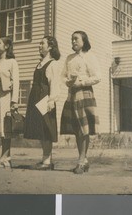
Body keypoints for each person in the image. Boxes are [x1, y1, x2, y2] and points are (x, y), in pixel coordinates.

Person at [60, 31, 101, 174]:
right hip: (72, 95)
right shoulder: (69, 58)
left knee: (85, 129)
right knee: (77, 129)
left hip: (84, 93)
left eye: (76, 39)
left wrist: (81, 82)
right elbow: (63, 76)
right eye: (71, 39)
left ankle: (81, 161)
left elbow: (97, 77)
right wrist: (69, 82)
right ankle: (84, 160)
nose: (73, 42)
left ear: (84, 41)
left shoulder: (89, 57)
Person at [24, 36, 61, 170]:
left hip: (45, 98)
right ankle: (45, 159)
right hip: (36, 97)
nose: (39, 45)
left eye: (42, 43)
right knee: (40, 128)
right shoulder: (40, 63)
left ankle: (47, 161)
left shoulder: (53, 64)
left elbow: (55, 84)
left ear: (50, 47)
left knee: (47, 128)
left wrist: (52, 100)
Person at [0, 37, 19, 168]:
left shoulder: (12, 62)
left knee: (6, 128)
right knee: (1, 129)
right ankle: (6, 158)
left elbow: (16, 82)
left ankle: (5, 159)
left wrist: (14, 101)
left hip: (6, 97)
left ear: (6, 46)